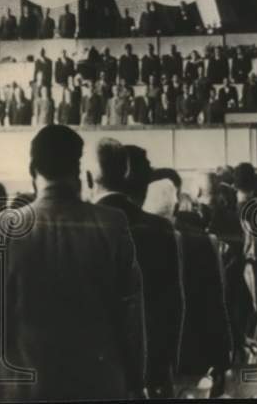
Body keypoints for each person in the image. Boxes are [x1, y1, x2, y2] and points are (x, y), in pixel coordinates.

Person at [0, 126, 145, 401]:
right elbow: (131, 312)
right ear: (78, 169)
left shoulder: (5, 228)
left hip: (29, 384)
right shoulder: (112, 223)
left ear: (32, 169)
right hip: (99, 382)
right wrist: (135, 380)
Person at [91, 141, 185, 399]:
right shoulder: (159, 229)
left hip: (94, 369)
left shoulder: (81, 226)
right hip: (148, 365)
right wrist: (162, 372)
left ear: (89, 177)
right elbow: (172, 307)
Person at [146, 169, 233, 397]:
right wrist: (223, 358)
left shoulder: (135, 243)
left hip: (153, 359)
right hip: (195, 354)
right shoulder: (203, 243)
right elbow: (216, 303)